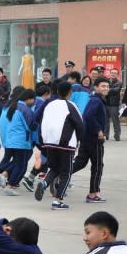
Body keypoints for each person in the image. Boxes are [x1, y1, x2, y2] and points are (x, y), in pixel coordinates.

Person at [33, 81, 83, 211]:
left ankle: (44, 183)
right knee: (66, 173)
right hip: (65, 144)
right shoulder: (71, 105)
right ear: (70, 92)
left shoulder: (49, 105)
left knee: (54, 168)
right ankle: (57, 200)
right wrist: (79, 140)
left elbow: (41, 122)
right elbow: (80, 124)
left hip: (49, 143)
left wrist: (43, 141)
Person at [71, 77, 109, 204]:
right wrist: (98, 130)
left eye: (107, 86)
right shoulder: (96, 101)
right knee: (98, 166)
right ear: (96, 87)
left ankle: (60, 175)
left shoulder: (95, 99)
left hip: (87, 137)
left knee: (80, 162)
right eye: (103, 86)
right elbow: (88, 116)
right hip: (94, 139)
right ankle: (93, 194)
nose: (106, 88)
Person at [0, 89, 36, 196]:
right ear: (29, 99)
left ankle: (3, 175)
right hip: (20, 141)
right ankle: (9, 186)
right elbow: (30, 126)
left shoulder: (13, 106)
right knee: (20, 165)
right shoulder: (25, 109)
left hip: (11, 140)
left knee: (16, 162)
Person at [104, 68, 122, 141]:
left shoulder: (119, 83)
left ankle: (117, 135)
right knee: (105, 121)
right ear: (110, 73)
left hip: (114, 105)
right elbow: (104, 90)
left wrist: (107, 89)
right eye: (112, 73)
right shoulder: (106, 81)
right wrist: (107, 89)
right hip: (106, 103)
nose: (113, 74)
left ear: (117, 74)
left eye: (115, 73)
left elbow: (116, 90)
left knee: (115, 121)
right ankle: (106, 135)